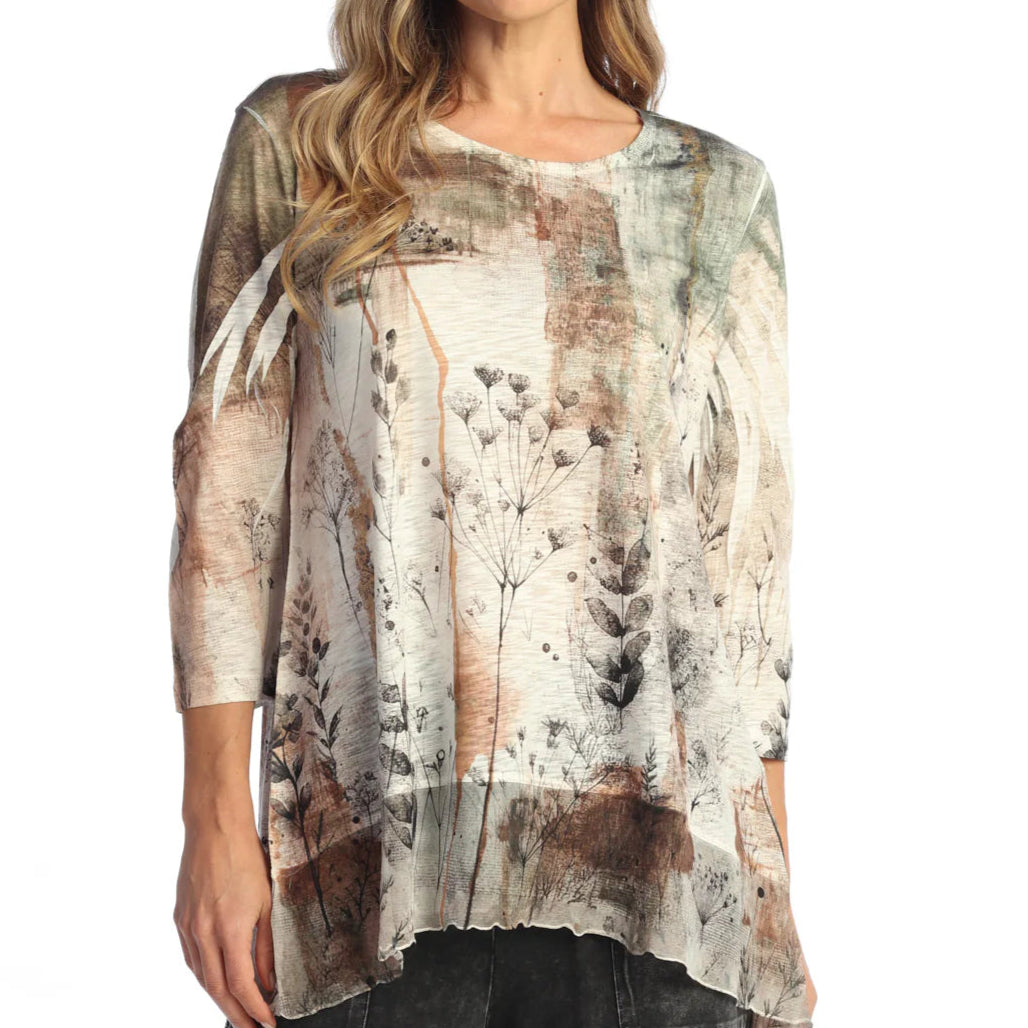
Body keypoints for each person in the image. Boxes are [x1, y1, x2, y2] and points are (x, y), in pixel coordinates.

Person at [169, 2, 818, 1027]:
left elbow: (746, 579)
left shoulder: (711, 193)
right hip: (372, 883)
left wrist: (772, 906)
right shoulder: (301, 144)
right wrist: (211, 822)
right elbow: (226, 500)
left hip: (660, 899)